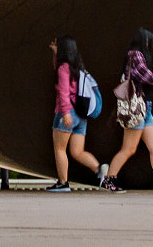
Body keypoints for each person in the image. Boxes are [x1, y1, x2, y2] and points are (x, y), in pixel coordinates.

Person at [102, 27, 153, 193]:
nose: (151, 45)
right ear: (144, 40)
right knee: (129, 149)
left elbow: (147, 79)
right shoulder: (136, 55)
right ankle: (109, 180)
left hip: (145, 109)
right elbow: (147, 78)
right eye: (150, 41)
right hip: (137, 109)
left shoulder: (136, 55)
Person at [47, 36, 105, 191]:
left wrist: (65, 113)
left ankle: (63, 183)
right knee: (77, 151)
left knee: (60, 149)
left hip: (67, 113)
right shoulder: (78, 68)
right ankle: (99, 169)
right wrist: (55, 54)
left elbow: (64, 92)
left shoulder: (63, 68)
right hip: (81, 115)